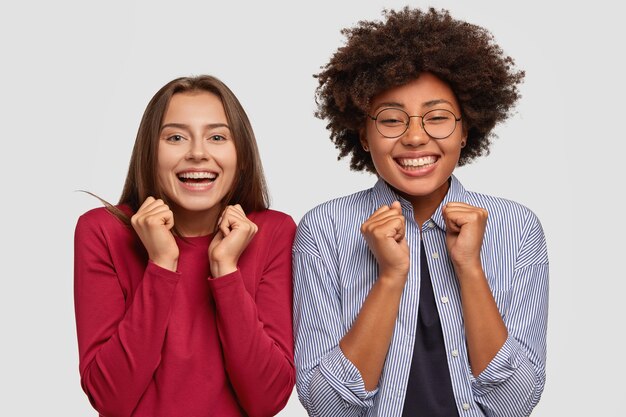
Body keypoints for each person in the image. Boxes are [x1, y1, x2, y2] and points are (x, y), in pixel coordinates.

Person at [293, 7, 548, 417]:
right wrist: (391, 277)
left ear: (466, 130)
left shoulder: (517, 228)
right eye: (392, 119)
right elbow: (327, 407)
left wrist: (470, 268)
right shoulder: (324, 229)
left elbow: (512, 404)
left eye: (438, 118)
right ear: (362, 133)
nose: (415, 137)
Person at [74, 75, 296, 417]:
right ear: (150, 150)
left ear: (242, 154)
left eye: (217, 137)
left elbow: (266, 399)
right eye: (176, 137)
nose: (197, 153)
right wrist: (161, 264)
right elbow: (111, 400)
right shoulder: (102, 231)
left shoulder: (272, 232)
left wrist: (226, 270)